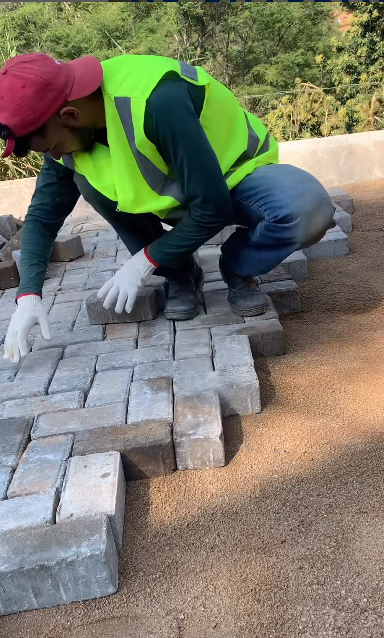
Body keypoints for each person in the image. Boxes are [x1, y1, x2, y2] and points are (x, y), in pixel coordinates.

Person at [0, 53, 334, 363]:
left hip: (237, 178)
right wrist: (28, 294)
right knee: (87, 181)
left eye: (55, 147)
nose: (56, 156)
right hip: (183, 201)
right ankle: (180, 273)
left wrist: (144, 262)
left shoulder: (156, 98)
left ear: (70, 114)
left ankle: (238, 266)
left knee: (307, 208)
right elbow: (43, 217)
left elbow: (213, 206)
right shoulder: (65, 131)